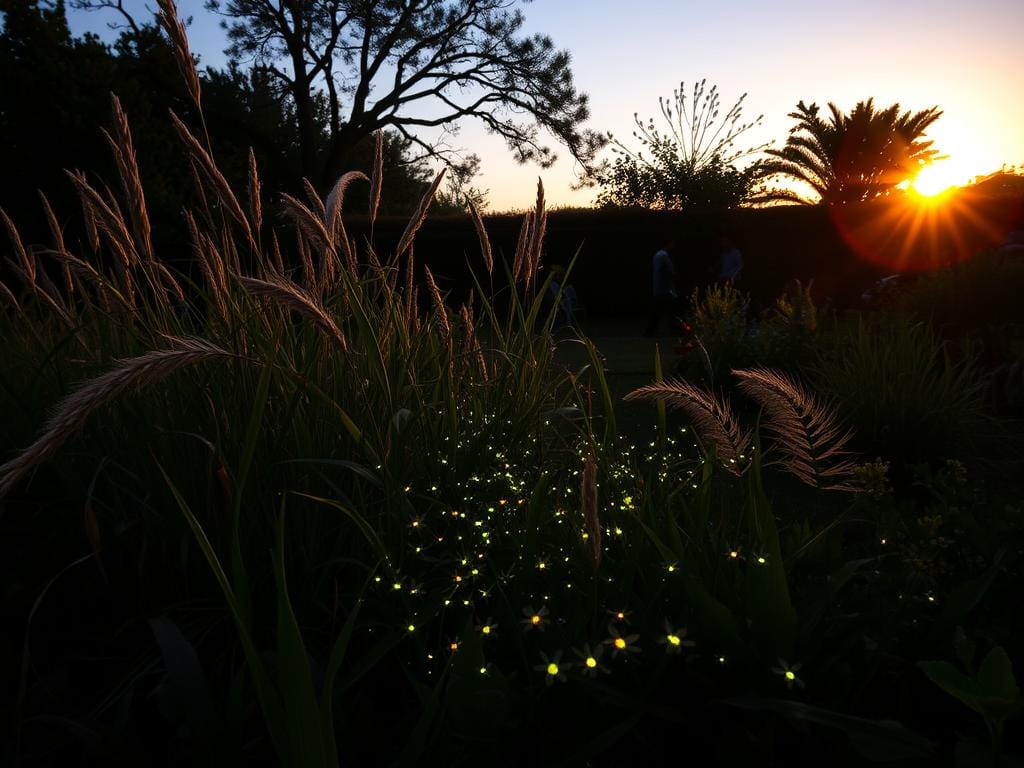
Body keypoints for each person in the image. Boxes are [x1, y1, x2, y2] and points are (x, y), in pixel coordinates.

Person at [643, 237, 677, 337]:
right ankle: (672, 330)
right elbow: (670, 272)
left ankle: (650, 331)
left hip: (658, 288)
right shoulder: (664, 256)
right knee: (669, 311)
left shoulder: (657, 255)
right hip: (665, 289)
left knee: (657, 311)